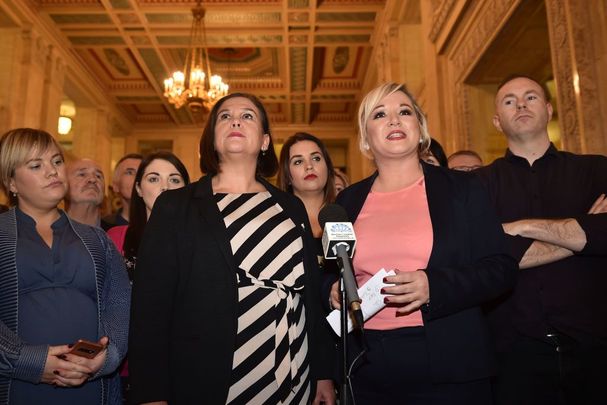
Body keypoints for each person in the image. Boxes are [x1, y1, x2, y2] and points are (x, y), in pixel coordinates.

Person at [128, 93, 336, 404]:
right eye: (224, 116)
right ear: (212, 139)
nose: (236, 120)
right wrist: (151, 395)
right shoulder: (174, 206)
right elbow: (150, 309)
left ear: (265, 141)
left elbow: (308, 297)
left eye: (248, 115)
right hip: (211, 376)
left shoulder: (290, 206)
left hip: (294, 370)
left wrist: (322, 372)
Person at [326, 82, 517, 404]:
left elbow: (501, 269)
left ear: (420, 127)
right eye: (379, 114)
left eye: (404, 112)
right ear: (365, 136)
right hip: (367, 362)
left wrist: (435, 286)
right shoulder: (348, 200)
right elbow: (329, 272)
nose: (394, 120)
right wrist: (332, 289)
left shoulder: (464, 189)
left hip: (450, 360)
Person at [476, 74, 607, 405]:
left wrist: (519, 226)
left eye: (530, 97)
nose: (520, 104)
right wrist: (581, 233)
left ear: (549, 110)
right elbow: (486, 254)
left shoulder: (596, 171)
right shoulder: (476, 186)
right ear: (496, 121)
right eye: (509, 100)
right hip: (512, 353)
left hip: (594, 345)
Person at [0, 128, 130, 405]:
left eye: (57, 161)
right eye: (36, 165)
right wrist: (29, 361)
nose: (52, 171)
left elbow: (119, 303)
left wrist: (106, 358)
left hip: (92, 387)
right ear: (11, 182)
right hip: (16, 386)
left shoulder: (97, 239)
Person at [108, 151, 190, 281]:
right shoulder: (115, 238)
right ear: (139, 188)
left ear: (186, 190)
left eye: (174, 180)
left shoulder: (200, 241)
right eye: (153, 179)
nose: (165, 187)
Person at [277, 132, 336, 238]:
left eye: (316, 158)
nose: (309, 166)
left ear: (328, 168)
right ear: (287, 177)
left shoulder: (349, 213)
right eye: (298, 161)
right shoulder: (276, 222)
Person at [65, 158, 110, 228]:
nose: (93, 179)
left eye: (98, 176)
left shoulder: (118, 236)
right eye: (82, 174)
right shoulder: (47, 234)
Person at [102, 153, 142, 230]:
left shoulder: (163, 226)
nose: (137, 178)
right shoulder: (102, 228)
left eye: (142, 173)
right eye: (130, 172)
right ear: (116, 185)